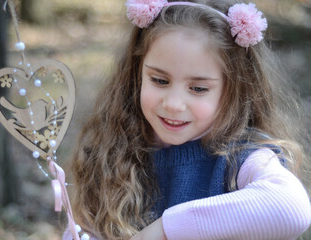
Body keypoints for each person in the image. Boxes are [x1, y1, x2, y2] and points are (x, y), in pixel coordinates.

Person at [66, 0, 311, 239]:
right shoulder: (113, 150)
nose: (173, 104)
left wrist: (165, 229)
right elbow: (85, 228)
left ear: (234, 89)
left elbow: (291, 209)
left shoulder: (243, 157)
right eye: (160, 81)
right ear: (136, 73)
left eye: (198, 89)